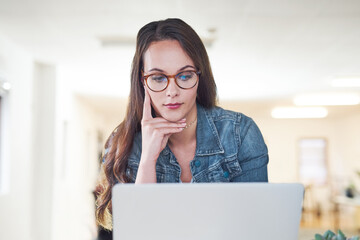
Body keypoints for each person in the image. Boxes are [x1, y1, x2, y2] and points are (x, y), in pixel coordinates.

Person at [95, 18, 269, 230]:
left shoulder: (240, 133)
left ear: (199, 75)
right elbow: (137, 231)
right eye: (158, 78)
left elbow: (256, 228)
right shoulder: (122, 143)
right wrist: (148, 159)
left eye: (185, 76)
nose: (172, 91)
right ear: (143, 80)